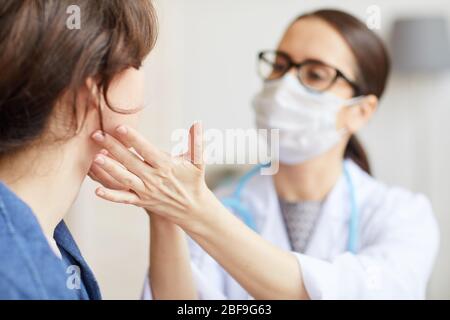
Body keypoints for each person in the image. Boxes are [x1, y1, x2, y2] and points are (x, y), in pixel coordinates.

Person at [89, 9, 439, 299]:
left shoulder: (403, 217)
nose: (285, 85)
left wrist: (194, 209)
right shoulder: (226, 203)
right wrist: (165, 214)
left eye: (315, 74)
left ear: (361, 111)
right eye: (280, 65)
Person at [0, 0, 157, 299]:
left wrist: (165, 214)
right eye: (137, 63)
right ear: (94, 88)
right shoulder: (17, 277)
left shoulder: (42, 236)